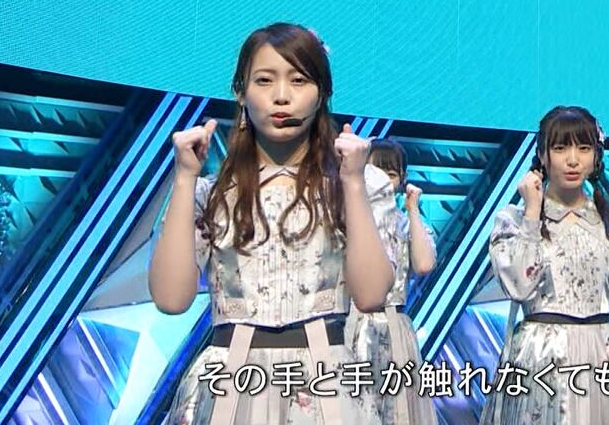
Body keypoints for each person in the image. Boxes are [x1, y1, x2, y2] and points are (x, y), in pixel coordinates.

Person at [149, 23, 393, 424]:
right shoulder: (210, 192)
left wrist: (351, 182)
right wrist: (184, 177)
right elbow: (171, 300)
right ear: (240, 92)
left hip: (324, 383)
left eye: (299, 80)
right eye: (264, 80)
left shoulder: (359, 183)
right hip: (231, 385)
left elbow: (370, 296)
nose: (282, 95)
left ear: (322, 93)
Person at [480, 105, 609, 424]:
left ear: (596, 157)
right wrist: (532, 214)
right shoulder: (514, 220)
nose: (573, 160)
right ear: (543, 155)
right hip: (542, 358)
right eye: (561, 148)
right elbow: (518, 286)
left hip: (602, 355)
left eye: (584, 148)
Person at [346, 138, 438, 424]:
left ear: (402, 179)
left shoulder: (407, 223)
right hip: (352, 326)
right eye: (373, 171)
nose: (382, 181)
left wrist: (413, 210)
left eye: (391, 173)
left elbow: (424, 264)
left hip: (394, 327)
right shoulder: (346, 218)